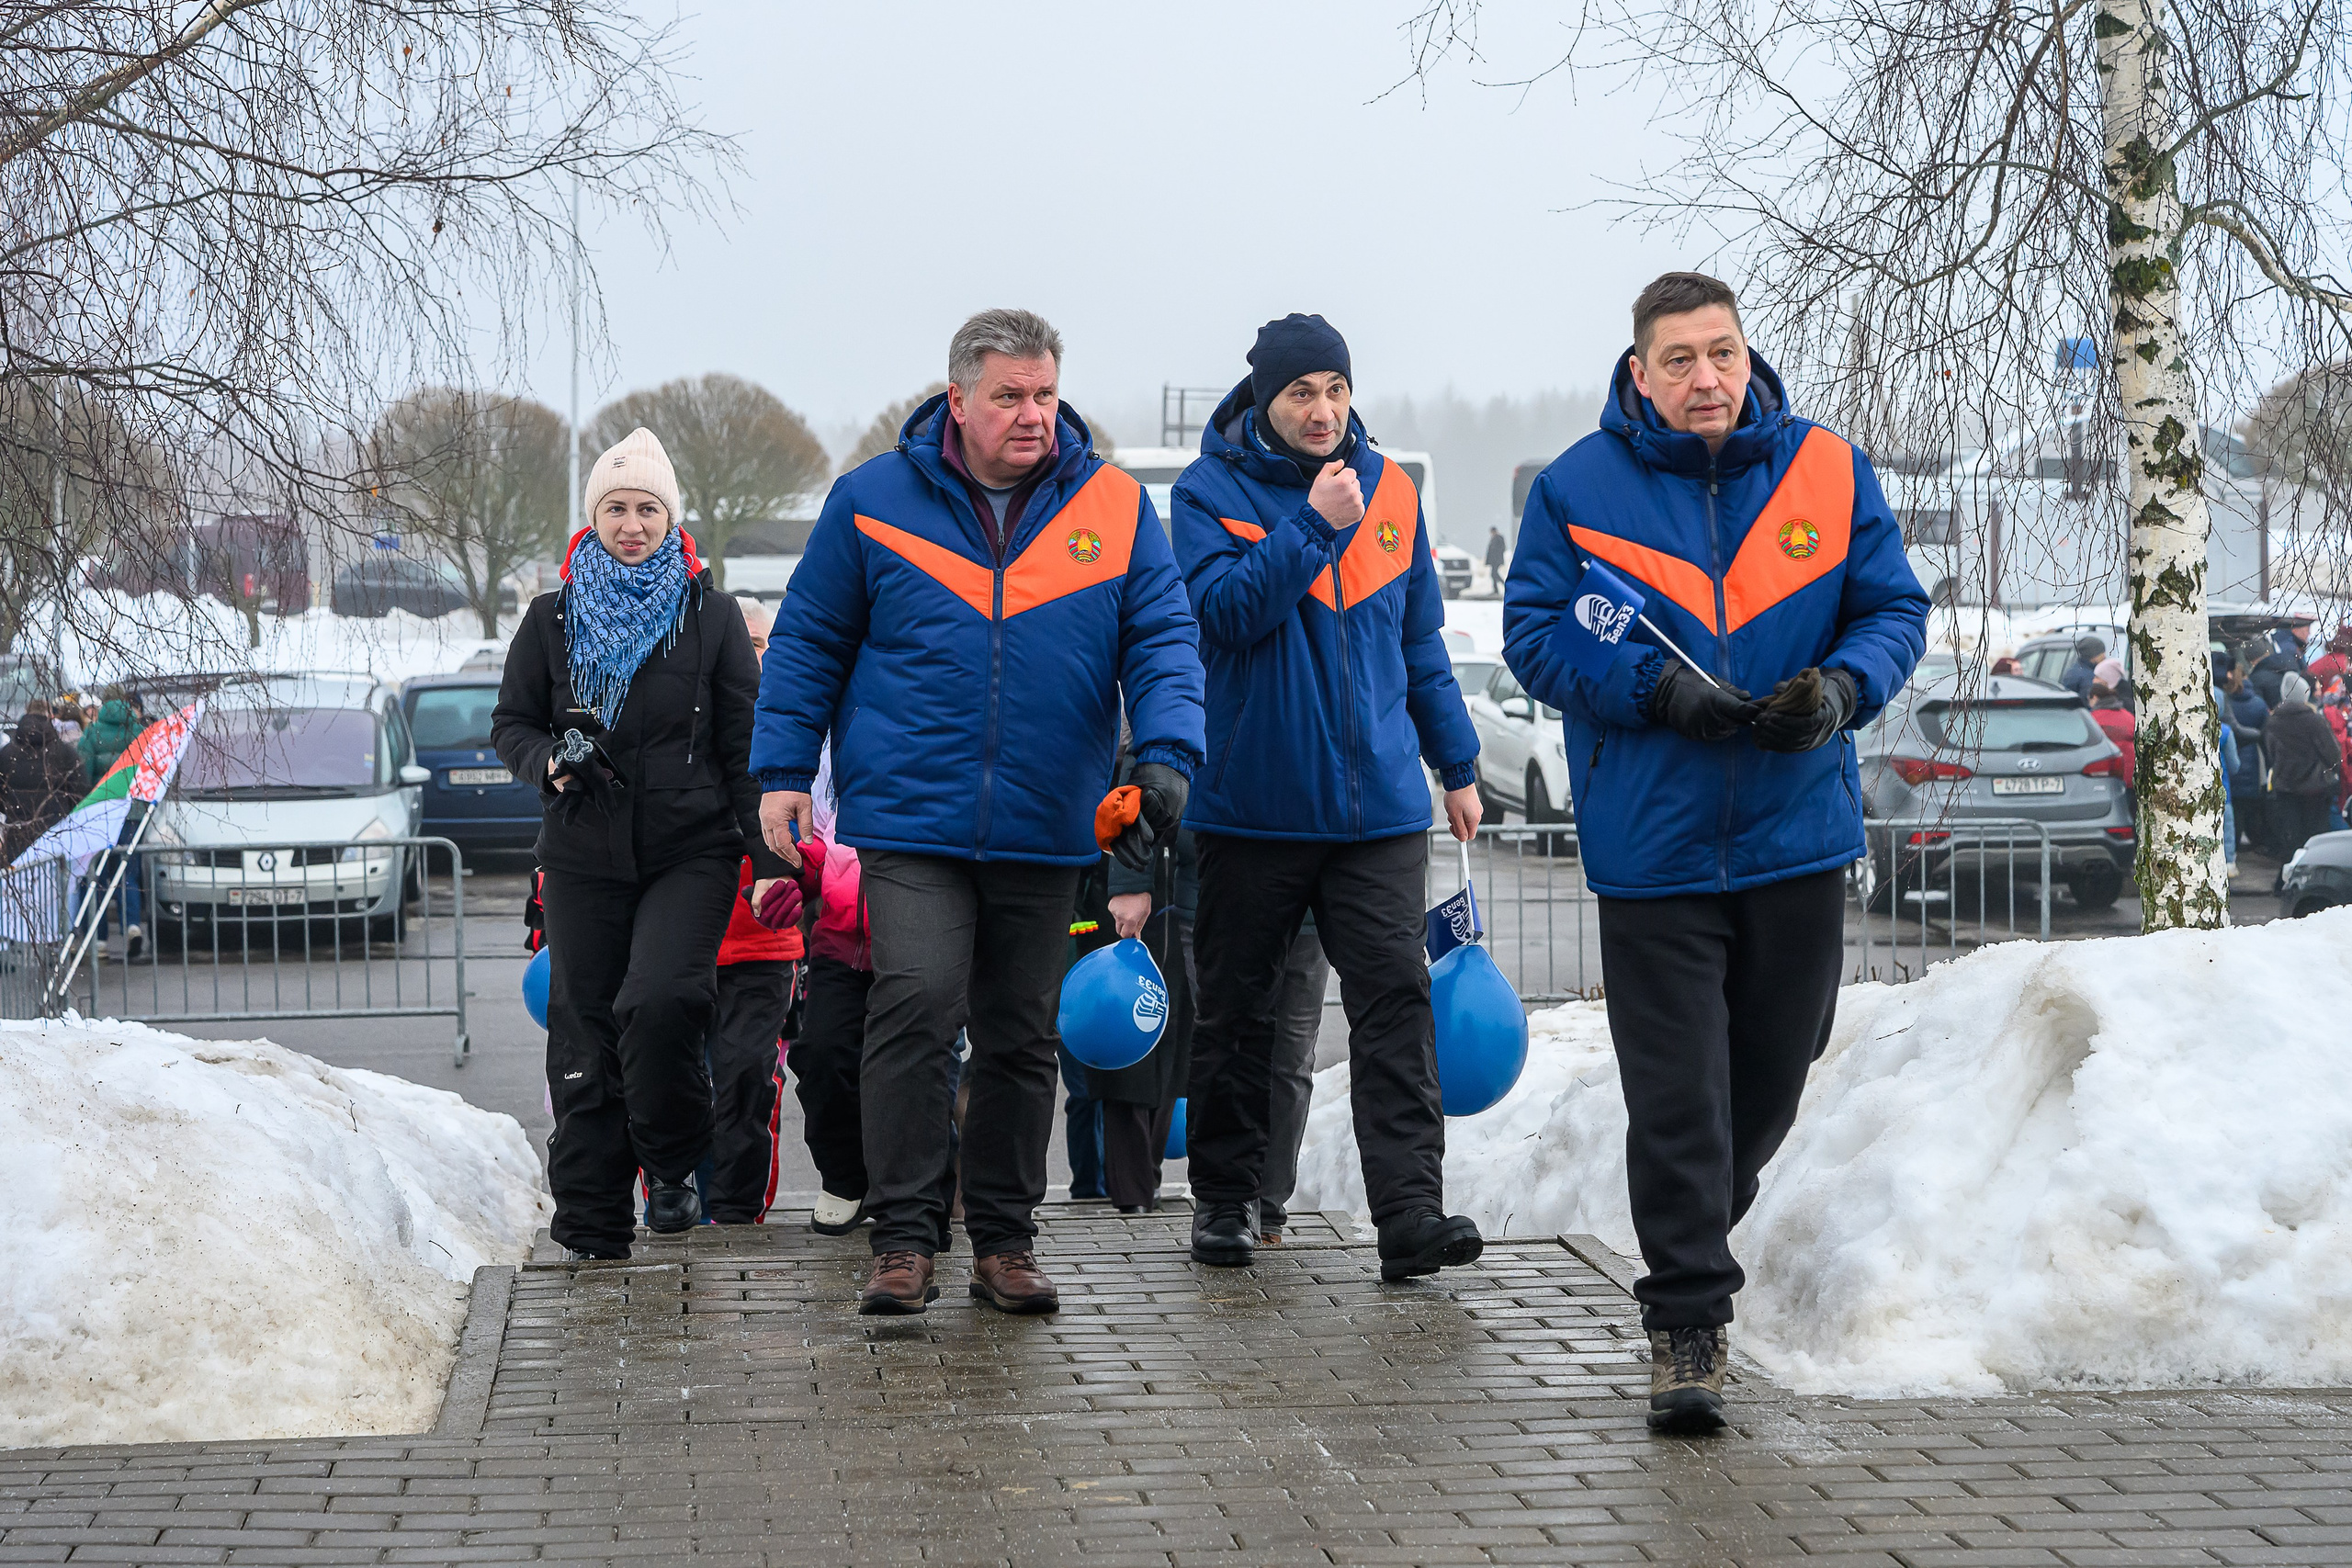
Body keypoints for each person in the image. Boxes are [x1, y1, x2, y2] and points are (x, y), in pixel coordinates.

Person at [1502, 271, 1927, 1434]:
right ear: (1638, 372)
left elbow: (1894, 608)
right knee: (1679, 1095)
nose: (1705, 378)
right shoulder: (1578, 490)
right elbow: (1534, 634)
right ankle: (1686, 1322)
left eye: (1722, 354)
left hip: (1797, 837)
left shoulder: (1827, 469)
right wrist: (1651, 690)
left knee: (1771, 1080)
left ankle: (1692, 1225)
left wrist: (1842, 690)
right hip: (1654, 848)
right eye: (1679, 359)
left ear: (1749, 359)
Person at [753, 309, 1205, 1317]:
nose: (1032, 414)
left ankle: (1003, 1240)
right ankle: (905, 1238)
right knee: (914, 1003)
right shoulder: (871, 502)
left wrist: (1168, 759)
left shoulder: (1118, 509)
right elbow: (807, 645)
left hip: (1049, 822)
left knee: (1018, 1035)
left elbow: (1166, 644)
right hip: (911, 819)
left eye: (1045, 393)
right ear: (957, 399)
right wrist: (782, 770)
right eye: (1009, 396)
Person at [1171, 311, 1486, 1283]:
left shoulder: (1389, 490)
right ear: (1265, 399)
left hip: (1379, 815)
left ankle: (1408, 1217)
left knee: (1395, 1008)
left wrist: (1458, 764)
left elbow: (1421, 641)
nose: (1322, 409)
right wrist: (1313, 523)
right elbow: (1224, 616)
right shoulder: (1207, 493)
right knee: (1237, 1014)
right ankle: (1224, 1203)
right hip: (1252, 810)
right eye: (1302, 392)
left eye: (1336, 390)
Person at [492, 427, 793, 1262]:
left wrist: (766, 859)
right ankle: (590, 1220)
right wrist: (545, 761)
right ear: (594, 518)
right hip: (583, 851)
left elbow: (745, 749)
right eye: (617, 508)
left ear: (672, 519)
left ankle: (668, 1163)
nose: (633, 523)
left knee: (659, 1003)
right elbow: (511, 722)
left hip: (689, 852)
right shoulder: (551, 617)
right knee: (585, 1031)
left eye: (648, 508)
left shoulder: (714, 614)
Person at [701, 597, 809, 1226]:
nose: (751, 652)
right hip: (686, 935)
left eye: (761, 642)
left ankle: (737, 1216)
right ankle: (678, 1205)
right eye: (741, 641)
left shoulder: (792, 730)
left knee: (744, 1082)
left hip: (765, 942)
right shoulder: (685, 719)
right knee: (676, 1085)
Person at [2265, 671, 2341, 861]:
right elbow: (2333, 753)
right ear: (2304, 695)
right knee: (2316, 837)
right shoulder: (2314, 721)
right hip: (2315, 788)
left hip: (2286, 787)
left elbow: (2271, 753)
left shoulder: (2273, 722)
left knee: (2291, 839)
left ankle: (2288, 879)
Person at [3, 707, 86, 863]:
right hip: (56, 831)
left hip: (17, 831)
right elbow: (80, 791)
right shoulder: (65, 753)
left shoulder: (6, 755)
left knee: (18, 880)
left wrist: (12, 809)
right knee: (55, 883)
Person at [2221, 660, 2270, 856]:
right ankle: (2255, 841)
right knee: (2252, 805)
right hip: (2254, 759)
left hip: (2230, 757)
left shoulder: (2225, 702)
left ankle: (2235, 847)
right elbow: (2265, 730)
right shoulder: (2258, 703)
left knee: (2236, 808)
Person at [77, 687, 141, 787]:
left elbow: (84, 770)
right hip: (133, 794)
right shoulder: (141, 732)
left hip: (101, 796)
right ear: (125, 700)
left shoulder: (91, 732)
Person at [2089, 663, 2137, 783]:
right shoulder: (2128, 716)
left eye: (2098, 677)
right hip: (2130, 775)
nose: (2094, 680)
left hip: (2103, 776)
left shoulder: (2093, 719)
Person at [2249, 621, 2312, 709]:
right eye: (2307, 630)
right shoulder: (2290, 649)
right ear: (2295, 629)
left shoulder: (2256, 677)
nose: (2309, 634)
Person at [2060, 636, 2104, 702]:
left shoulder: (2074, 671)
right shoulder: (2088, 678)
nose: (2104, 656)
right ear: (2094, 656)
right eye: (2102, 653)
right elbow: (2089, 705)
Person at [1485, 526, 1508, 595]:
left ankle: (1503, 586)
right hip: (1493, 560)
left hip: (1496, 560)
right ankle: (1496, 589)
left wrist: (1496, 555)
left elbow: (1502, 548)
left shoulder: (1499, 538)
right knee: (1493, 574)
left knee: (1494, 574)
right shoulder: (1493, 539)